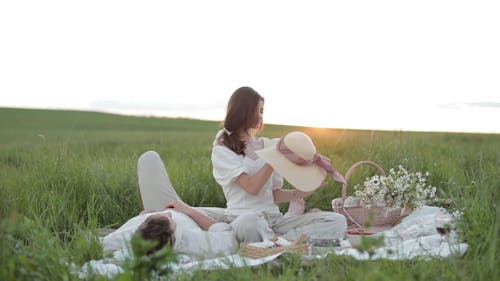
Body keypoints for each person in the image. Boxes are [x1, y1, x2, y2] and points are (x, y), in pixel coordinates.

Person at [211, 86, 348, 243]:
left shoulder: (268, 145)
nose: (261, 116)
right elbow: (252, 187)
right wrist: (274, 159)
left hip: (274, 220)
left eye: (262, 111)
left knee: (337, 221)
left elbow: (273, 194)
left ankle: (279, 241)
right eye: (258, 110)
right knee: (250, 223)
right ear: (243, 111)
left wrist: (298, 193)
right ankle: (282, 241)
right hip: (243, 217)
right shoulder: (222, 150)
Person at [102, 151, 238, 258]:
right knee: (239, 214)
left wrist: (142, 217)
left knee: (149, 158)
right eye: (169, 219)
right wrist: (189, 211)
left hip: (164, 206)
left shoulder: (128, 237)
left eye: (148, 221)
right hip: (195, 216)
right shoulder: (192, 242)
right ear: (176, 234)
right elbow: (227, 235)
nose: (167, 214)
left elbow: (99, 245)